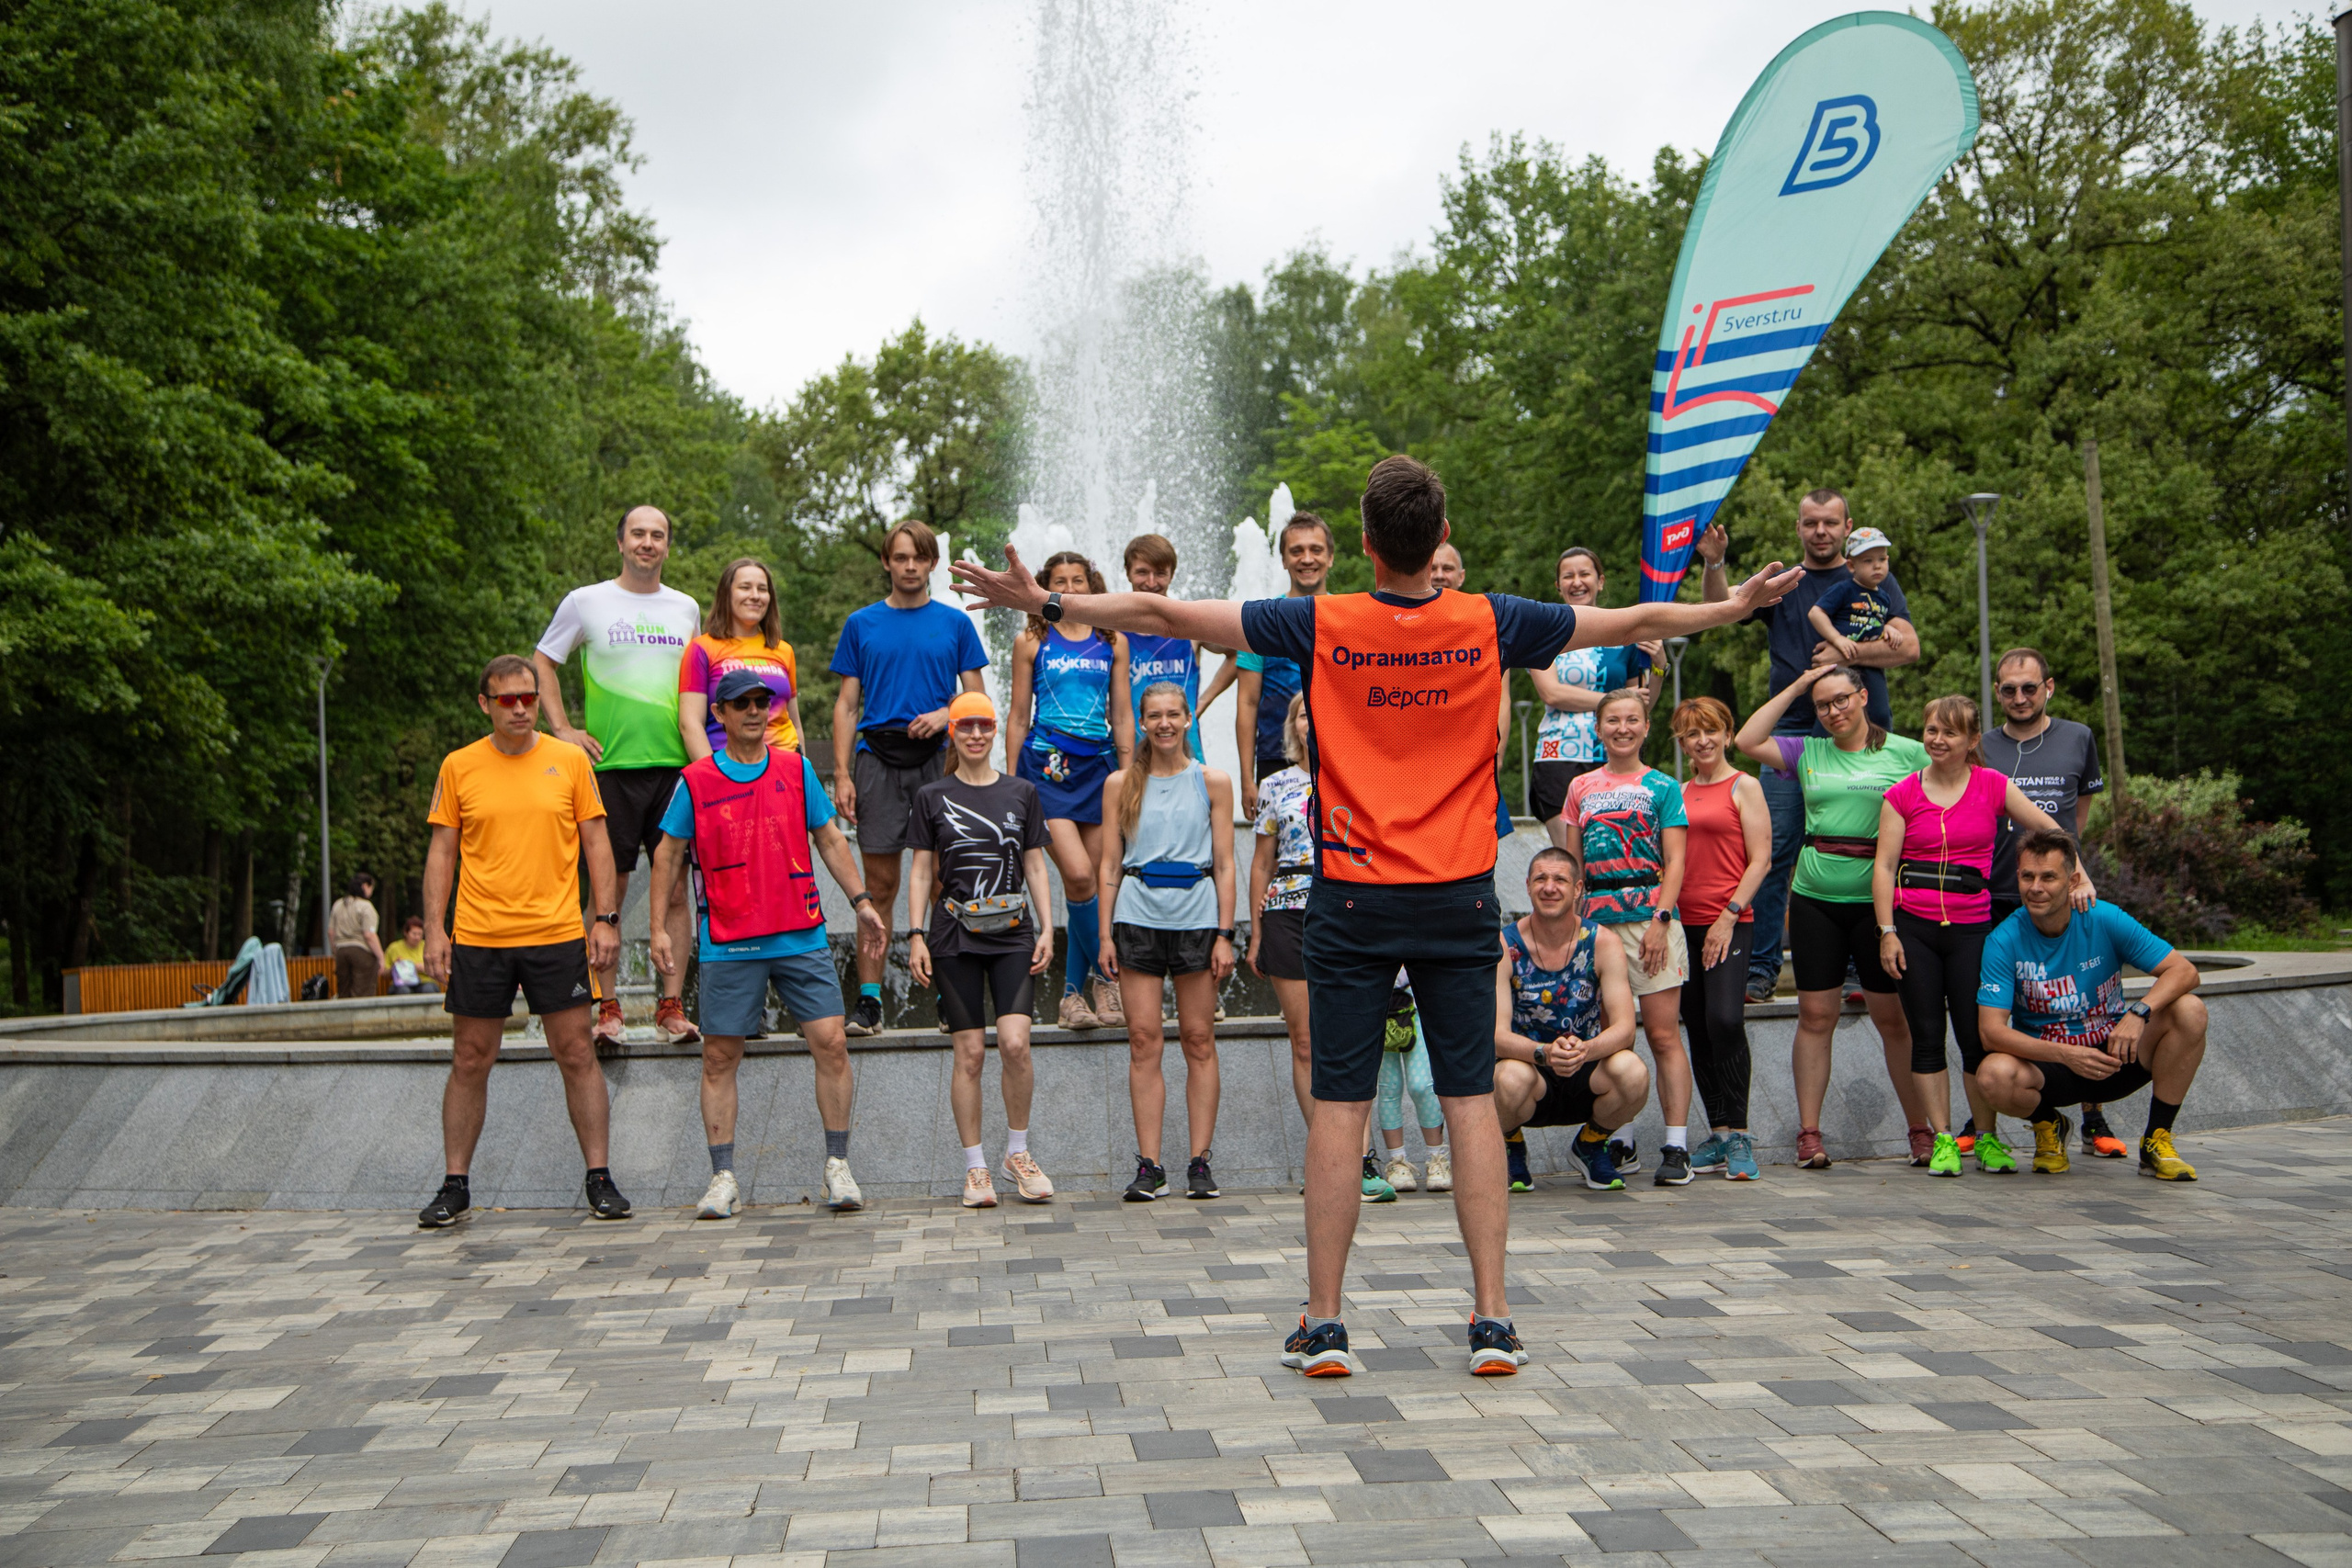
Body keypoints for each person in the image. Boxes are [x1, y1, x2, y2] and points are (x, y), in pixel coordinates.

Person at [951, 450, 1800, 1380]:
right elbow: (1635, 618)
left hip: (1350, 900)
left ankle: (1323, 1324)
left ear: (1361, 545)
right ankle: (1492, 1319)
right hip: (1459, 897)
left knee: (1340, 1107)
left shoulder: (1319, 621)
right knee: (1470, 1101)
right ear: (1438, 541)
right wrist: (1730, 604)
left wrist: (1046, 605)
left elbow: (1161, 614)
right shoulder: (1490, 620)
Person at [648, 669, 889, 1219]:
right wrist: (660, 926)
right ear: (721, 715)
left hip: (799, 932)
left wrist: (861, 901)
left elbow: (829, 837)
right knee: (719, 1056)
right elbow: (666, 854)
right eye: (743, 703)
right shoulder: (696, 781)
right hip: (729, 939)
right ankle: (723, 1178)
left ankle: (837, 1167)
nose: (756, 711)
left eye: (764, 702)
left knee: (831, 1042)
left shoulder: (795, 768)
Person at [416, 656, 625, 1229]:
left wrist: (604, 919)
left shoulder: (568, 761)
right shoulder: (459, 766)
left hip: (556, 934)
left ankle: (600, 1179)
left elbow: (598, 845)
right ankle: (455, 1184)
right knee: (469, 1059)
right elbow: (442, 853)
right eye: (506, 699)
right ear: (484, 703)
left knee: (578, 1053)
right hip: (480, 937)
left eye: (528, 698)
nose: (519, 708)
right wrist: (435, 931)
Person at [1698, 490, 1918, 1001]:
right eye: (1811, 523)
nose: (1821, 532)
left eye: (1830, 523)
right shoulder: (1784, 584)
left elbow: (1909, 647)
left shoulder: (1872, 579)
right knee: (1772, 852)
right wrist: (1715, 563)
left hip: (1863, 735)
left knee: (1870, 849)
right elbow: (1719, 610)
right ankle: (1760, 969)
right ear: (1798, 528)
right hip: (1792, 737)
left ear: (1848, 526)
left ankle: (1865, 967)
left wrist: (1848, 653)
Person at [1872, 695, 2095, 1178]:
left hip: (1974, 927)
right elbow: (1885, 866)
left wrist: (2078, 874)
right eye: (1931, 730)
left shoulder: (1993, 784)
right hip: (1914, 925)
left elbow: (2051, 831)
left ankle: (1989, 1138)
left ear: (1973, 741)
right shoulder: (1903, 793)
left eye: (1950, 732)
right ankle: (1945, 1139)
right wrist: (1887, 931)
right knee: (1927, 1037)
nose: (1937, 740)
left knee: (1977, 1040)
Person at [1734, 664, 1928, 1169]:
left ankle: (1920, 1129)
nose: (1834, 712)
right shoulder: (1809, 751)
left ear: (1864, 696)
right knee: (1815, 1016)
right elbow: (1747, 739)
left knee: (1892, 1019)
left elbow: (1950, 792)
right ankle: (1809, 1133)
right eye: (1823, 705)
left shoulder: (1907, 753)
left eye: (1842, 700)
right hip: (1816, 898)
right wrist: (1798, 687)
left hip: (1878, 902)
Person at [535, 505, 703, 1045]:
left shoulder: (685, 608)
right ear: (621, 543)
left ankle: (670, 1006)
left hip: (675, 767)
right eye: (638, 534)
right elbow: (542, 662)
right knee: (609, 888)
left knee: (676, 892)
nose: (648, 543)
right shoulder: (586, 601)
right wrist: (562, 728)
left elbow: (698, 683)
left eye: (658, 536)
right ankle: (606, 1008)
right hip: (608, 767)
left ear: (668, 547)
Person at [830, 520, 989, 1036]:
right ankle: (870, 1001)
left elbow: (978, 701)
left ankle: (950, 995)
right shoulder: (862, 624)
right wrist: (842, 773)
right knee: (879, 885)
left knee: (947, 880)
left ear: (932, 564)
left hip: (937, 764)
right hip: (877, 759)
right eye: (900, 558)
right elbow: (847, 704)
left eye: (919, 558)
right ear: (887, 562)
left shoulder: (955, 623)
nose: (910, 566)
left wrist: (947, 715)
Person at [1975, 829, 2206, 1181]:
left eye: (2048, 877)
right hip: (2050, 1066)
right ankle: (2049, 1124)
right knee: (1992, 1075)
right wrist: (2065, 1055)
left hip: (2115, 1054)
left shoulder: (2103, 918)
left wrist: (2138, 1012)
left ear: (2072, 881)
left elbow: (2185, 972)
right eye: (2027, 876)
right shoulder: (2002, 940)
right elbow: (1991, 1033)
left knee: (2190, 1010)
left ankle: (2157, 1140)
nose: (2036, 887)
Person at [905, 691, 1059, 1208]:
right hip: (953, 936)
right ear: (952, 731)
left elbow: (1036, 864)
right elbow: (922, 871)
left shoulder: (1021, 791)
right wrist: (914, 935)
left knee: (1015, 1043)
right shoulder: (932, 795)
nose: (976, 734)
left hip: (1013, 931)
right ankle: (976, 1168)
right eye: (965, 726)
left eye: (985, 726)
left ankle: (1018, 1151)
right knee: (969, 1053)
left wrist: (1048, 926)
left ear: (995, 731)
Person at [1099, 682, 1236, 1201]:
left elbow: (1225, 863)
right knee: (1143, 1041)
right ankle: (1149, 1164)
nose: (1164, 724)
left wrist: (1226, 934)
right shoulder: (1120, 784)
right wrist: (1106, 934)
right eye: (1154, 715)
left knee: (1199, 1039)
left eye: (1173, 715)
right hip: (1136, 917)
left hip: (1198, 920)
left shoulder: (1212, 781)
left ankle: (1199, 1162)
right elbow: (1109, 864)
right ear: (1141, 721)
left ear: (1187, 719)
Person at [1980, 647, 2114, 1156]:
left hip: (2062, 891)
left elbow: (2076, 817)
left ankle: (2093, 1114)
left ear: (2048, 687)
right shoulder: (1982, 746)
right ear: (1998, 693)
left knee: (2077, 1001)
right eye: (2009, 689)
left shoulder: (2078, 737)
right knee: (2000, 1004)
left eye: (2029, 688)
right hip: (1994, 891)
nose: (2019, 697)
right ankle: (1989, 1114)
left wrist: (2075, 873)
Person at [1564, 689, 1693, 1185]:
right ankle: (1618, 1138)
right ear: (1598, 729)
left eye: (1632, 720)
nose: (1622, 728)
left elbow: (1676, 859)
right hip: (1597, 920)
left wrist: (1661, 918)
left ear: (1645, 727)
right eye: (1612, 720)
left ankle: (1676, 1146)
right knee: (1609, 1038)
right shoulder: (1580, 787)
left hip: (1650, 916)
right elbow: (1572, 862)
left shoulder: (1663, 786)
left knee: (1662, 1034)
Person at [1009, 551, 1134, 1030]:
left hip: (1100, 772)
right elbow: (1019, 715)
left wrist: (1127, 779)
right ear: (1044, 588)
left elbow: (1122, 715)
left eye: (1078, 581)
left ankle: (1071, 997)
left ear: (1091, 585)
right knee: (1080, 877)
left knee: (1101, 884)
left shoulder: (1112, 639)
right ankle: (1107, 980)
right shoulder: (1031, 639)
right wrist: (1013, 784)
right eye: (1059, 581)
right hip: (1047, 770)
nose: (1070, 588)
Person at [1491, 851, 1648, 1199]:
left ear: (1578, 889)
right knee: (1507, 1077)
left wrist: (1586, 1050)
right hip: (1529, 1067)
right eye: (1541, 879)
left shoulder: (1603, 942)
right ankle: (1510, 1145)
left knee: (1633, 1071)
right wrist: (1545, 1053)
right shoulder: (1505, 944)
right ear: (1528, 886)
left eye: (1560, 880)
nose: (1550, 888)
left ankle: (1592, 1144)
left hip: (1585, 1065)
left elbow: (1624, 1028)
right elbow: (1496, 1037)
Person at [1670, 698, 1770, 1181]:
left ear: (1728, 735)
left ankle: (1742, 1136)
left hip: (1729, 919)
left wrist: (1729, 915)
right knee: (1699, 1026)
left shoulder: (1744, 786)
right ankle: (1718, 1131)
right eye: (1692, 734)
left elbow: (1761, 859)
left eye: (1710, 731)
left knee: (1726, 1019)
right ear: (1682, 743)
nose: (1702, 740)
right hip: (1682, 925)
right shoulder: (1677, 792)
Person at [1529, 549, 1657, 852]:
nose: (1577, 582)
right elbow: (1553, 693)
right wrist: (1614, 701)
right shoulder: (1541, 632)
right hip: (1561, 756)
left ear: (1600, 581)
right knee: (1572, 863)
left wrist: (1660, 664)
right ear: (1558, 586)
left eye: (1584, 574)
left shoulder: (1623, 635)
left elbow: (1640, 706)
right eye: (1568, 576)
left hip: (1615, 755)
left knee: (1612, 856)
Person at [1247, 694, 1317, 1134]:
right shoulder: (1275, 785)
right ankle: (1327, 1152)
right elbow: (1260, 863)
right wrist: (1255, 936)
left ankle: (1361, 1155)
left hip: (1347, 912)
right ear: (1294, 726)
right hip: (1286, 914)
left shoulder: (1360, 774)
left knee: (1345, 1041)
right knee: (1306, 1043)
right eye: (1303, 714)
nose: (1312, 720)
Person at [1233, 512, 1331, 809]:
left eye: (1316, 549)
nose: (1307, 559)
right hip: (1274, 757)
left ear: (1331, 557)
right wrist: (1247, 779)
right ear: (1283, 560)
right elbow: (1247, 702)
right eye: (1296, 551)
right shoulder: (1263, 623)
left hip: (1335, 757)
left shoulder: (1347, 620)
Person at [1122, 533, 1231, 763]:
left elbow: (1237, 653)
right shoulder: (1114, 633)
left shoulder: (1188, 625)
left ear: (1172, 574)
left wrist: (1201, 703)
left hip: (1187, 754)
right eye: (1142, 572)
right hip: (1134, 758)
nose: (1151, 583)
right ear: (1127, 572)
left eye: (1160, 573)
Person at [680, 558, 805, 760]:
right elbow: (690, 724)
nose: (755, 596)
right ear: (726, 594)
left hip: (785, 768)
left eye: (762, 589)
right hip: (728, 768)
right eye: (745, 587)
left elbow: (795, 723)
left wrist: (802, 768)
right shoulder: (702, 648)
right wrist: (715, 777)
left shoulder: (784, 650)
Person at [1805, 527, 1902, 723]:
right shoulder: (1844, 589)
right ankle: (1821, 749)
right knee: (1833, 713)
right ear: (1851, 565)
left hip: (1870, 666)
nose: (1877, 566)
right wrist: (1837, 639)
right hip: (1839, 664)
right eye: (1868, 561)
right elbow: (1816, 613)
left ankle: (1880, 750)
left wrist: (1887, 629)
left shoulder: (1883, 596)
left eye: (1882, 560)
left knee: (1880, 715)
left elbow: (1872, 623)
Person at [1371, 981, 1452, 1197]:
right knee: (1389, 1086)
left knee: (1422, 1085)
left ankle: (1437, 1158)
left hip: (1415, 1001)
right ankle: (1397, 1161)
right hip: (1378, 1000)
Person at [329, 874, 383, 1000]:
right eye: (371, 888)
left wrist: (335, 951)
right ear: (365, 886)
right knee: (362, 992)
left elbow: (330, 932)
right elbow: (369, 935)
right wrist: (381, 956)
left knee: (344, 991)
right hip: (361, 952)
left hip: (341, 950)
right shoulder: (366, 906)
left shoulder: (338, 904)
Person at [383, 915, 434, 995]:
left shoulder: (428, 947)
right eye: (414, 934)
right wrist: (395, 968)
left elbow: (440, 969)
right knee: (404, 991)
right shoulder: (394, 948)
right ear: (406, 933)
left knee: (428, 989)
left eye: (419, 934)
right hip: (401, 984)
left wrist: (425, 968)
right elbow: (383, 973)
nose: (417, 937)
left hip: (424, 982)